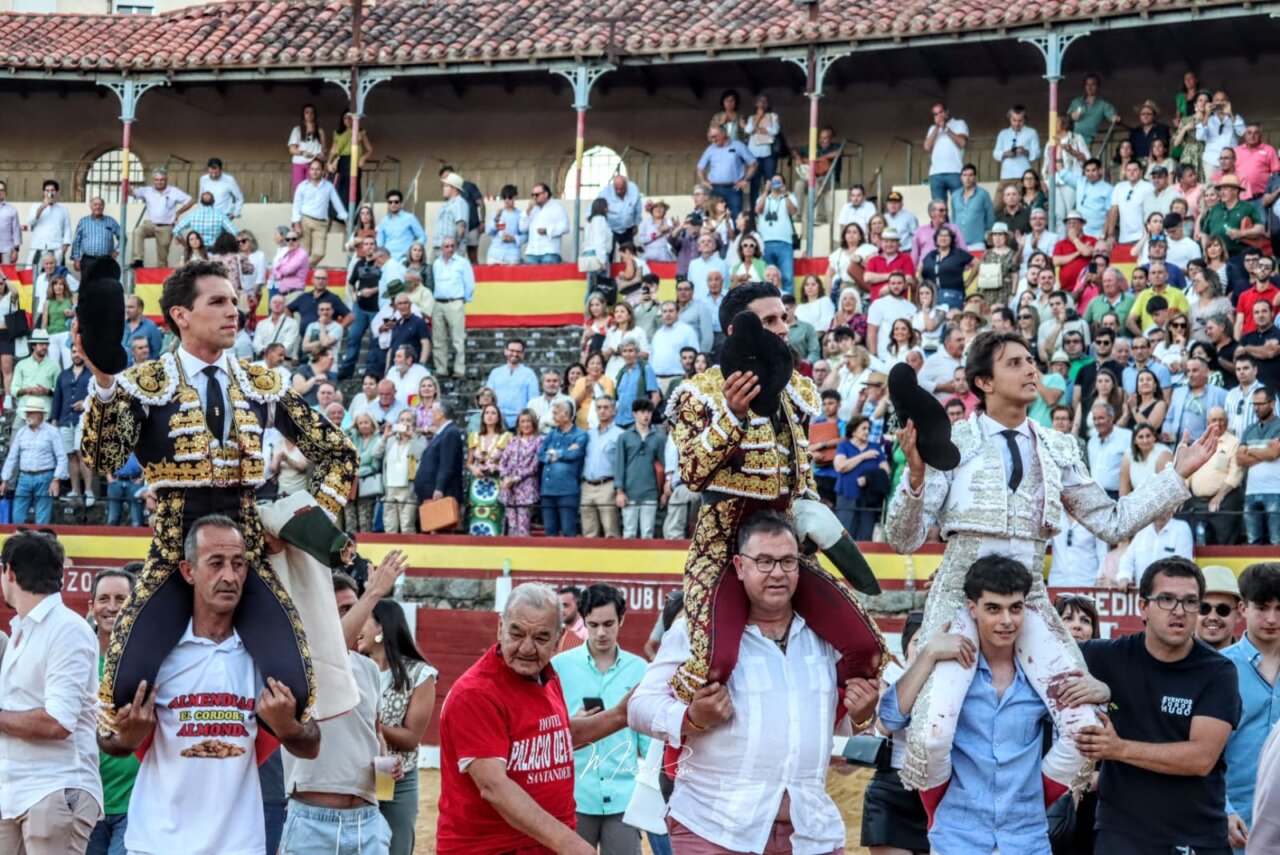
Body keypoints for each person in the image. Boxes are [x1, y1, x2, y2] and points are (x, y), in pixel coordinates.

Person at [885, 330, 1218, 808]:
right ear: (983, 382)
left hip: (1030, 601)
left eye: (1030, 360)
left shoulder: (1058, 446)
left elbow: (1112, 520)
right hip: (960, 597)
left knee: (1085, 729)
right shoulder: (954, 442)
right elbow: (904, 538)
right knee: (932, 735)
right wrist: (915, 477)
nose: (1030, 369)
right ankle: (947, 826)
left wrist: (1177, 475)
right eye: (1015, 363)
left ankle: (1018, 815)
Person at [79, 260, 356, 726]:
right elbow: (104, 458)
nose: (234, 312)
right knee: (122, 692)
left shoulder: (261, 384)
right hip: (173, 554)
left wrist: (304, 519)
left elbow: (339, 453)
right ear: (181, 315)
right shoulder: (145, 385)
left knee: (296, 691)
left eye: (234, 301)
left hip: (245, 554)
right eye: (219, 302)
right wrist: (104, 385)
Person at [662, 281, 885, 712]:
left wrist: (811, 515)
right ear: (738, 332)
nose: (784, 327)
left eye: (784, 317)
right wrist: (732, 416)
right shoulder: (699, 393)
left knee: (867, 648)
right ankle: (678, 743)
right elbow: (691, 474)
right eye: (769, 320)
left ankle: (819, 725)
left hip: (787, 551)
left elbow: (801, 474)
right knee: (713, 664)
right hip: (722, 552)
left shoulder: (796, 391)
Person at [629, 511, 881, 854]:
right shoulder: (699, 632)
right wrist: (692, 718)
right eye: (764, 561)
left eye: (787, 561)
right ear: (739, 565)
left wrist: (862, 716)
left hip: (810, 833)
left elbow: (833, 723)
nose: (777, 573)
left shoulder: (826, 639)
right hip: (714, 829)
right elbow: (640, 707)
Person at [96, 517, 320, 855]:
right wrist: (128, 736)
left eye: (238, 564)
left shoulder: (263, 655)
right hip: (156, 842)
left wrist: (288, 726)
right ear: (189, 571)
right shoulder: (158, 654)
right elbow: (108, 740)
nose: (229, 576)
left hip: (238, 844)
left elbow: (312, 745)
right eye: (216, 563)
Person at [880, 556, 1108, 854]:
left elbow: (1084, 728)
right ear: (972, 608)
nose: (1006, 620)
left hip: (1027, 839)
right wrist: (929, 654)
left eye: (1015, 608)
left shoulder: (1040, 675)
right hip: (957, 838)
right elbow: (890, 718)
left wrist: (1104, 691)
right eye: (993, 609)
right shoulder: (950, 672)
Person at [436, 583, 631, 855]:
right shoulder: (475, 693)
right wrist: (572, 845)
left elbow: (557, 736)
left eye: (541, 637)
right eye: (517, 633)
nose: (526, 648)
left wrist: (622, 715)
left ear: (558, 638)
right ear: (500, 628)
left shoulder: (546, 675)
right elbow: (494, 786)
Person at [1078, 556, 1241, 855]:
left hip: (1197, 837)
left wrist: (1117, 749)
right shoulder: (1106, 657)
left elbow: (1201, 758)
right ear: (1143, 607)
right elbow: (1033, 654)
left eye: (1190, 602)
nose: (1179, 611)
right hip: (1122, 834)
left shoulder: (1218, 671)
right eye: (1166, 599)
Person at [0, 530, 104, 853]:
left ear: (9, 572)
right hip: (13, 792)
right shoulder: (20, 630)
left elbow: (58, 722)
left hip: (56, 786)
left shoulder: (66, 628)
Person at [550, 584, 648, 855]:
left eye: (608, 624)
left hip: (624, 797)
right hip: (575, 797)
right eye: (593, 625)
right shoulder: (559, 667)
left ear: (621, 620)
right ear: (583, 620)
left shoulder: (640, 670)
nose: (601, 633)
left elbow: (649, 740)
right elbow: (547, 731)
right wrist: (573, 723)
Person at [350, 597, 436, 855]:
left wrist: (371, 723)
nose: (357, 628)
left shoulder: (419, 674)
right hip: (355, 776)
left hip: (396, 777)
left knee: (396, 848)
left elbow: (410, 738)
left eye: (365, 620)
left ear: (381, 627)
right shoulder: (354, 668)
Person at [1219, 563, 1280, 851]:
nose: (1272, 618)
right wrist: (1223, 809)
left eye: (1279, 609)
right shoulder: (1219, 669)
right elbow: (1204, 754)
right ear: (1243, 608)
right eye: (1262, 608)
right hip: (1231, 824)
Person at [86, 569, 140, 855]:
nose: (112, 606)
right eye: (104, 598)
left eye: (121, 599)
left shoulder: (149, 660)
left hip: (135, 802)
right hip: (87, 800)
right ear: (92, 606)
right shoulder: (76, 659)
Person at [1, 399, 67, 525]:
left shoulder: (52, 432)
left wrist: (56, 479)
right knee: (17, 516)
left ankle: (39, 536)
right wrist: (4, 480)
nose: (28, 415)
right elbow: (12, 457)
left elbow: (62, 457)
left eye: (31, 412)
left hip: (45, 476)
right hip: (24, 477)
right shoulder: (21, 432)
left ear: (40, 414)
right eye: (27, 413)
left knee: (42, 517)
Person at [616, 398, 664, 539]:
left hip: (650, 492)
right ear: (634, 413)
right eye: (642, 412)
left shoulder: (659, 438)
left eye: (649, 412)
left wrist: (663, 491)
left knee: (648, 533)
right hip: (629, 491)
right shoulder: (624, 437)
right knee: (629, 532)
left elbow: (663, 464)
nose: (646, 415)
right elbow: (619, 464)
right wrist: (619, 491)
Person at [539, 400, 588, 537]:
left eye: (555, 413)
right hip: (547, 490)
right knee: (550, 531)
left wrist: (555, 452)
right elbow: (540, 455)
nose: (552, 416)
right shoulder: (552, 434)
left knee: (568, 531)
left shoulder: (580, 434)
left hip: (567, 491)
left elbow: (575, 454)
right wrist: (562, 453)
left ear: (566, 415)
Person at [1239, 386, 1280, 545]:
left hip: (1275, 491)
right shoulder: (1249, 430)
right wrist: (1266, 451)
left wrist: (1249, 450)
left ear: (1273, 404)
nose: (1256, 408)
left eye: (1261, 404)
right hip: (1251, 492)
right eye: (1254, 404)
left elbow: (1274, 454)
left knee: (1276, 540)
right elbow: (1239, 459)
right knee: (1253, 542)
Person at [431, 236, 475, 380]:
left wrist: (462, 300)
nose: (449, 249)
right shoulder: (436, 263)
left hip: (455, 302)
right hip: (438, 303)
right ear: (441, 248)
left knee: (458, 339)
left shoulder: (462, 263)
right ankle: (441, 369)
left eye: (452, 246)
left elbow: (469, 284)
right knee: (438, 339)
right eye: (446, 246)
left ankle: (459, 370)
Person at [131, 168, 194, 268]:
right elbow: (132, 193)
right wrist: (125, 182)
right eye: (157, 180)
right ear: (153, 180)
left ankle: (162, 276)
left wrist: (179, 212)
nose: (159, 182)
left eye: (162, 180)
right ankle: (138, 259)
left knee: (162, 259)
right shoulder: (147, 190)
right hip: (150, 224)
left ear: (166, 180)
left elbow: (190, 201)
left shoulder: (173, 191)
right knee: (138, 231)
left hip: (166, 227)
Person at [290, 158, 347, 267]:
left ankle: (299, 268)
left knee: (319, 253)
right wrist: (296, 223)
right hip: (305, 220)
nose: (314, 172)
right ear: (309, 171)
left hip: (321, 223)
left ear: (322, 171)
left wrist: (345, 217)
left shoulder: (328, 186)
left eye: (317, 169)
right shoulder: (302, 186)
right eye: (312, 169)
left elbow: (337, 202)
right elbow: (296, 205)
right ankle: (302, 271)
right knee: (304, 252)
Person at [413, 399, 465, 513]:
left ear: (441, 414)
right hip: (430, 493)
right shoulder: (443, 431)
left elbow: (447, 464)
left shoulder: (450, 432)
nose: (430, 414)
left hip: (442, 494)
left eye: (432, 411)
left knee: (442, 523)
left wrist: (439, 488)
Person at [697, 124, 756, 218]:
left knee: (736, 217)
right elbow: (700, 167)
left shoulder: (738, 146)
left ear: (723, 134)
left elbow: (754, 163)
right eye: (711, 137)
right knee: (714, 218)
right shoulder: (710, 149)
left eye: (715, 136)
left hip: (733, 189)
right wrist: (703, 181)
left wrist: (745, 180)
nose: (713, 140)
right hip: (715, 189)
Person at [485, 337, 539, 429]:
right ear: (505, 351)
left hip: (519, 423)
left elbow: (533, 401)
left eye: (518, 351)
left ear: (522, 354)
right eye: (512, 350)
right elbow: (488, 398)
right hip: (497, 422)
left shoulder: (529, 374)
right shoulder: (495, 373)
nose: (515, 354)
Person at [925, 102, 970, 204]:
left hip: (955, 171)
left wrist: (946, 129)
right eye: (936, 114)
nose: (939, 116)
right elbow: (927, 146)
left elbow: (963, 143)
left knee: (959, 205)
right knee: (938, 207)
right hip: (936, 173)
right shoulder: (932, 128)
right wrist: (937, 128)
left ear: (947, 112)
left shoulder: (959, 123)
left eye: (941, 112)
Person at [27, 178, 72, 266]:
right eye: (47, 190)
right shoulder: (35, 206)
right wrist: (42, 207)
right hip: (38, 246)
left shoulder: (63, 210)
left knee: (56, 272)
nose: (50, 193)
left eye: (52, 190)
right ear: (43, 192)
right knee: (32, 271)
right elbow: (31, 221)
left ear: (57, 192)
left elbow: (67, 229)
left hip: (56, 248)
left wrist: (65, 247)